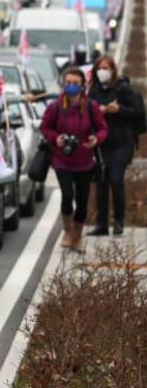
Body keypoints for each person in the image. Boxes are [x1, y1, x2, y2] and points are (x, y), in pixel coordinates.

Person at [39, 67, 109, 252]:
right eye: (68, 83)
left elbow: (103, 128)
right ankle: (68, 231)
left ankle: (77, 236)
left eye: (75, 83)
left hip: (85, 161)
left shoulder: (91, 107)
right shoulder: (55, 106)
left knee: (82, 199)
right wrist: (56, 138)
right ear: (63, 84)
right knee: (67, 195)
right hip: (62, 159)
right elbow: (44, 127)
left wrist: (96, 139)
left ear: (82, 85)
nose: (71, 86)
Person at [87, 55, 139, 236]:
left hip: (121, 142)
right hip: (101, 144)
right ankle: (102, 224)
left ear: (113, 70)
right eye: (100, 68)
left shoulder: (123, 89)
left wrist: (118, 110)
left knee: (116, 180)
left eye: (106, 68)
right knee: (101, 184)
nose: (103, 72)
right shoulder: (93, 91)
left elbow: (137, 113)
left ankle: (118, 221)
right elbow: (87, 114)